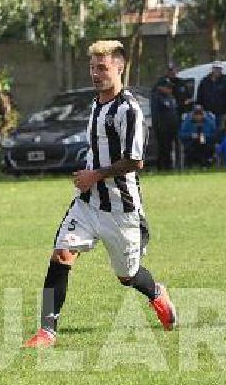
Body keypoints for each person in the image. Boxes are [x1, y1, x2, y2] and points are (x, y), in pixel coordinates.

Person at [24, 40, 177, 349]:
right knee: (61, 255)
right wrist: (89, 175)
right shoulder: (96, 103)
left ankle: (156, 293)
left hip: (121, 208)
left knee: (128, 276)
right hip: (88, 202)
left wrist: (95, 174)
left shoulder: (129, 108)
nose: (96, 74)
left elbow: (136, 160)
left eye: (103, 68)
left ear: (119, 68)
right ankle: (46, 332)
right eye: (93, 68)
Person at [150, 64, 183, 171]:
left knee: (169, 147)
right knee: (163, 148)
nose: (170, 89)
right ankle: (162, 167)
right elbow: (159, 114)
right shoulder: (157, 97)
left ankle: (169, 167)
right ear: (161, 87)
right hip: (162, 127)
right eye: (168, 87)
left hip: (172, 127)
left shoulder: (170, 97)